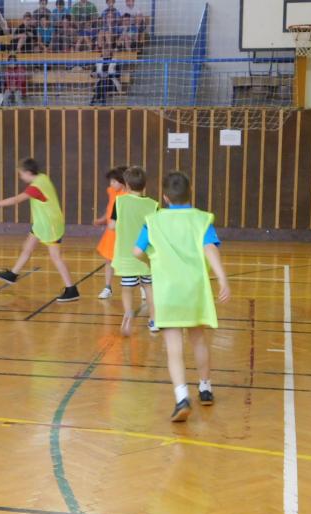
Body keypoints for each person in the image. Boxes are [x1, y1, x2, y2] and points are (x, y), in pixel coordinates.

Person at [133, 171, 230, 421]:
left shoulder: (153, 221)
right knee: (198, 340)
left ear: (165, 197)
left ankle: (181, 397)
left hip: (167, 292)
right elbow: (210, 248)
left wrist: (151, 260)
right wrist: (222, 278)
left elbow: (136, 251)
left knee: (173, 347)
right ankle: (205, 388)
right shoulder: (201, 219)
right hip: (194, 290)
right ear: (190, 193)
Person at [0, 157, 80, 303]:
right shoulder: (42, 177)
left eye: (21, 174)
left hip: (50, 225)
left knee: (55, 257)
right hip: (41, 224)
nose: (20, 177)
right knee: (27, 247)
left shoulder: (36, 187)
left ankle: (71, 289)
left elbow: (16, 200)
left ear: (29, 173)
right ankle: (13, 274)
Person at [112, 166, 159, 335]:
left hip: (126, 255)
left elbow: (111, 226)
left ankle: (128, 313)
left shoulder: (120, 202)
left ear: (126, 185)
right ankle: (154, 320)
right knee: (149, 287)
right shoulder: (153, 205)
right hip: (146, 255)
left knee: (127, 287)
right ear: (144, 185)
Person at [93, 165, 127, 299]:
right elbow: (110, 209)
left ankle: (142, 286)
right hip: (111, 233)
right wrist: (102, 220)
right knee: (108, 260)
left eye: (114, 181)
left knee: (129, 261)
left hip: (124, 234)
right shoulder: (112, 192)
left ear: (123, 182)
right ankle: (107, 287)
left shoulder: (128, 196)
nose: (111, 184)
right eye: (110, 181)